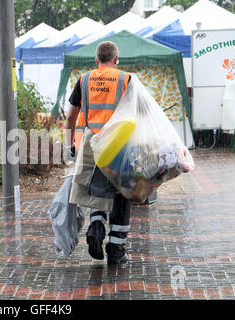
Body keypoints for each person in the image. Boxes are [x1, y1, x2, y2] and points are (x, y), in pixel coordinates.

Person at [65, 41, 132, 264]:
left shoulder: (84, 79)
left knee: (96, 187)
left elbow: (70, 117)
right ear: (116, 59)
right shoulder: (126, 79)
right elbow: (139, 112)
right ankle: (116, 249)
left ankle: (95, 227)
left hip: (92, 141)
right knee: (122, 192)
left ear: (96, 60)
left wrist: (70, 145)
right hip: (120, 142)